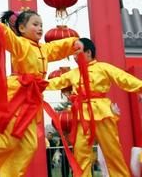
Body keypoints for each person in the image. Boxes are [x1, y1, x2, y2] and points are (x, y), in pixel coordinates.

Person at [0, 10, 82, 176]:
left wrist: (76, 43)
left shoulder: (44, 49)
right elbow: (10, 40)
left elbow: (59, 47)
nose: (40, 28)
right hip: (17, 97)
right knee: (5, 141)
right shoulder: (21, 44)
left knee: (29, 145)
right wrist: (0, 29)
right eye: (35, 24)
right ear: (22, 28)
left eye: (41, 25)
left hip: (32, 101)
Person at [47, 38, 142, 177]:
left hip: (102, 112)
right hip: (82, 117)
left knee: (112, 153)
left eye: (77, 51)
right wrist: (32, 84)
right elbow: (55, 82)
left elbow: (123, 78)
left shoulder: (103, 67)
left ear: (88, 52)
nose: (74, 56)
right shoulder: (73, 73)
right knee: (80, 155)